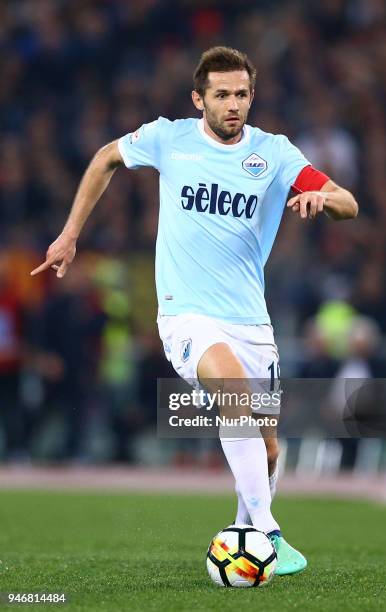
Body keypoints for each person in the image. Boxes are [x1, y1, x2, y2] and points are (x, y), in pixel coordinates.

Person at [31, 46, 358, 575]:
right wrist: (70, 235)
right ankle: (271, 535)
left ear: (253, 97)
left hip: (251, 320)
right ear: (198, 99)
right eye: (222, 94)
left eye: (242, 94)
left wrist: (324, 201)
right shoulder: (169, 137)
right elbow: (106, 158)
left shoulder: (274, 153)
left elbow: (348, 201)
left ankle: (247, 535)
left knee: (269, 449)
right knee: (233, 394)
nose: (234, 104)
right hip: (187, 316)